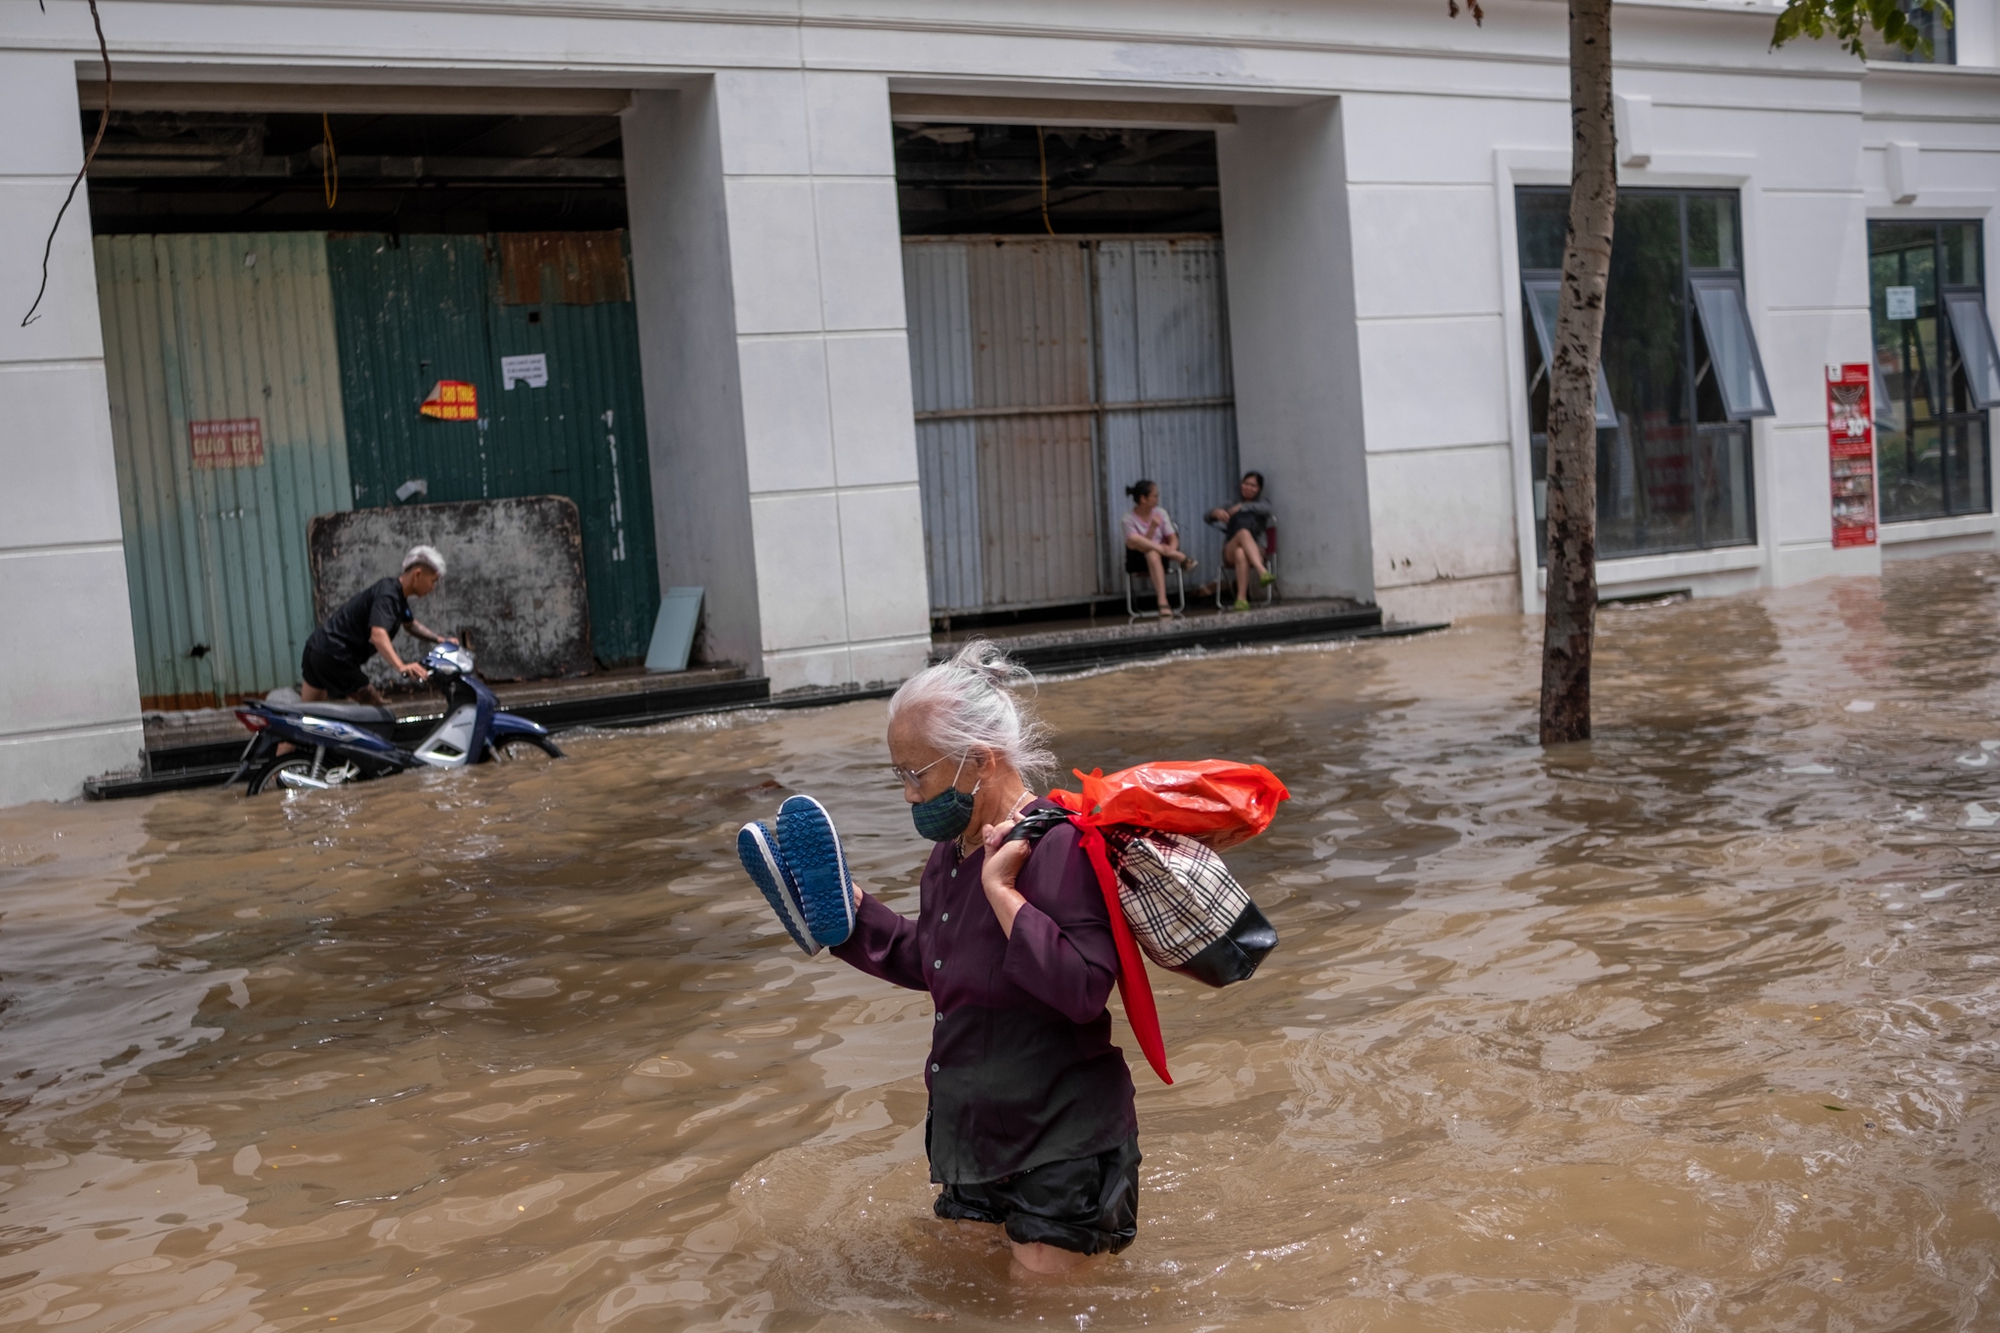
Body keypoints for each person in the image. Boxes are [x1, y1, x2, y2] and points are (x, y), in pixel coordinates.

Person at [832, 640, 1140, 1275]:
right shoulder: (948, 855)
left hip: (1061, 1137)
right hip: (971, 1135)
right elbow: (940, 963)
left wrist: (1002, 892)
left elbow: (1085, 990)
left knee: (1047, 1318)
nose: (910, 795)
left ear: (979, 761)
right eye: (900, 775)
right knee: (959, 1303)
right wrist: (852, 917)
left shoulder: (1059, 846)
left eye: (917, 773)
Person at [299, 545, 455, 704]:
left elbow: (411, 625)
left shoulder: (397, 597)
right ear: (418, 574)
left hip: (317, 648)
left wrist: (439, 640)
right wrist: (401, 666)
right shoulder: (388, 596)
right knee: (376, 709)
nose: (433, 588)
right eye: (433, 581)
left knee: (308, 715)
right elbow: (378, 635)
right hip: (335, 654)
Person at [1122, 479, 1195, 617]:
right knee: (1134, 539)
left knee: (1153, 553)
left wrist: (1170, 550)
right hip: (1137, 559)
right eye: (1154, 496)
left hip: (1161, 557)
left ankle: (1163, 602)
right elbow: (1138, 544)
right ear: (1143, 499)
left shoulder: (1160, 513)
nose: (1157, 499)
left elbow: (1173, 538)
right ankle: (1181, 558)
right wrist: (1153, 527)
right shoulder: (1128, 519)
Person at [1207, 471, 1275, 612]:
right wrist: (1216, 513)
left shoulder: (1262, 504)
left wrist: (1242, 507)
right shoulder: (1230, 503)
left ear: (1259, 489)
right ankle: (1262, 571)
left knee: (1241, 553)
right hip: (1229, 550)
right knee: (1243, 534)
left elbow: (1267, 509)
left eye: (1253, 485)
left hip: (1257, 550)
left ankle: (1241, 599)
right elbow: (1207, 517)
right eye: (1245, 484)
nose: (1248, 488)